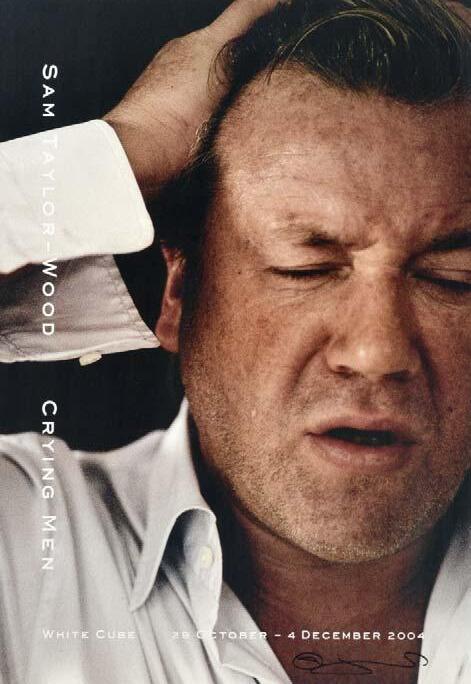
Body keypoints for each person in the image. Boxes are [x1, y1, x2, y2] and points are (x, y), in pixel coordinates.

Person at [0, 0, 470, 682]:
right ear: (177, 294)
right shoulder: (23, 543)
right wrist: (122, 151)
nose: (375, 353)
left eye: (452, 278)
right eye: (304, 268)